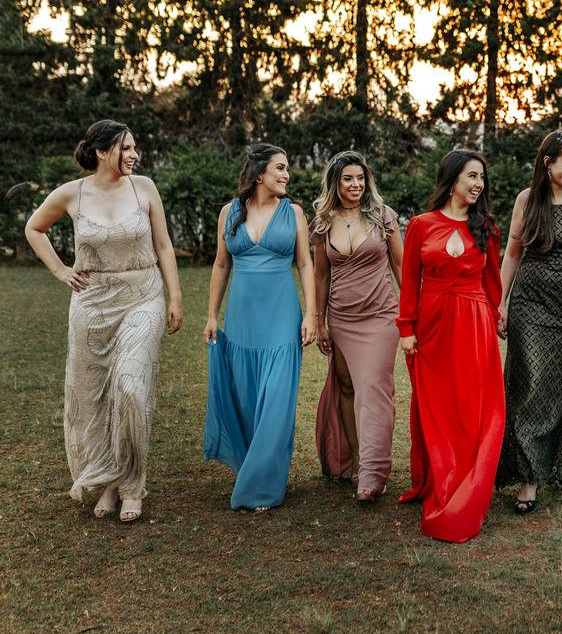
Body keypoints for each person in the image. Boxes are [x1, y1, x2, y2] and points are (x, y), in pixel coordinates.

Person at [24, 120, 183, 523]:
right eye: (126, 148)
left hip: (142, 297)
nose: (134, 155)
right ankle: (108, 482)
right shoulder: (71, 194)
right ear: (100, 152)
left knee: (130, 388)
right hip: (92, 305)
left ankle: (131, 485)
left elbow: (163, 243)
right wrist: (61, 270)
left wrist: (175, 296)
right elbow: (34, 228)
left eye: (134, 148)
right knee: (95, 398)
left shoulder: (144, 187)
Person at [396, 150, 505, 542]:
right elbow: (410, 280)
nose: (478, 184)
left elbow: (492, 281)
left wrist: (495, 315)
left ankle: (469, 485)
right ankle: (440, 477)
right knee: (436, 403)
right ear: (452, 178)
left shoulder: (487, 228)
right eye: (472, 176)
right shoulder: (421, 226)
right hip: (432, 324)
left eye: (481, 178)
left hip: (474, 323)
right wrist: (405, 328)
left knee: (472, 404)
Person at [495, 132, 562, 514]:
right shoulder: (527, 200)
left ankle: (561, 465)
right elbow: (511, 254)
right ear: (548, 162)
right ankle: (528, 477)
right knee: (531, 385)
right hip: (530, 303)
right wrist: (501, 302)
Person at [204, 144, 317, 512]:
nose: (286, 175)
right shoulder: (229, 212)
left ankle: (262, 488)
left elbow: (305, 264)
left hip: (282, 318)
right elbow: (222, 266)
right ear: (259, 174)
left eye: (287, 169)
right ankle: (253, 468)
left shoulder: (294, 213)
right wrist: (211, 315)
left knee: (277, 403)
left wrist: (311, 314)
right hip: (241, 320)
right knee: (249, 399)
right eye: (280, 169)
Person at [311, 151, 403, 502]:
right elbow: (321, 274)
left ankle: (373, 475)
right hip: (342, 317)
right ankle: (358, 462)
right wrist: (320, 321)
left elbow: (400, 264)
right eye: (348, 179)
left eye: (361, 178)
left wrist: (411, 311)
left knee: (374, 388)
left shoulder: (383, 216)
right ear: (336, 183)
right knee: (348, 388)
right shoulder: (322, 222)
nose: (356, 185)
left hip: (381, 315)